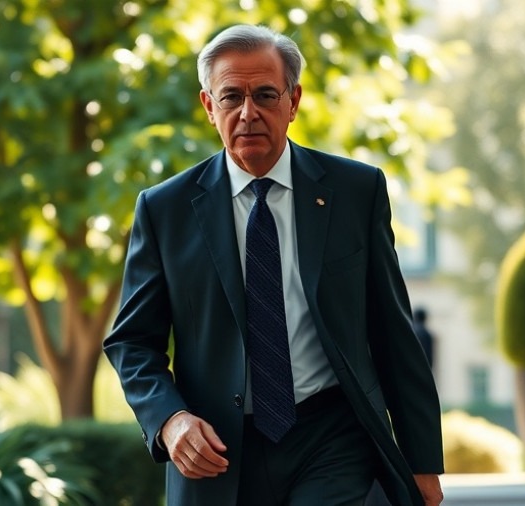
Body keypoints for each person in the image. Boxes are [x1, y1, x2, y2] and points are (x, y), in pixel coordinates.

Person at [103, 23, 444, 506]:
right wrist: (169, 420)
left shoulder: (355, 192)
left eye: (265, 94)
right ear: (208, 106)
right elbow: (132, 342)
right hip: (217, 450)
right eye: (231, 97)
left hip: (332, 436)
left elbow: (392, 330)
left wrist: (423, 463)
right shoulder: (165, 210)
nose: (248, 113)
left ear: (294, 101)